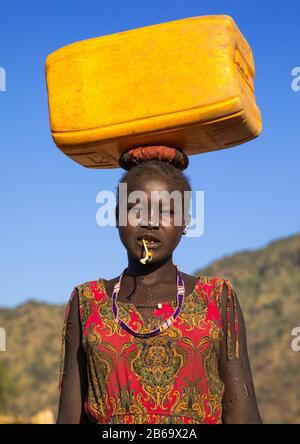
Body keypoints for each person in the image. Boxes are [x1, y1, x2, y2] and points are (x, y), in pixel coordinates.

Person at [56, 146, 262, 424]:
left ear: (185, 222)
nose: (150, 222)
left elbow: (243, 410)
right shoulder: (87, 301)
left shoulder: (217, 298)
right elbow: (69, 416)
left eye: (166, 211)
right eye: (136, 209)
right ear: (117, 216)